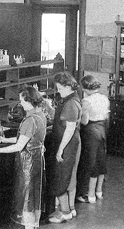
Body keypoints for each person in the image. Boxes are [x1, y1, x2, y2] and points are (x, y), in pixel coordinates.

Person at [0, 85, 47, 229]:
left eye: (22, 100)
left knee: (27, 198)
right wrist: (4, 140)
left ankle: (29, 226)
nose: (20, 103)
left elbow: (19, 146)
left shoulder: (30, 120)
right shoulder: (39, 114)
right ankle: (34, 225)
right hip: (37, 160)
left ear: (28, 100)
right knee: (35, 196)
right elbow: (26, 138)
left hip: (28, 165)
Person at [48, 71, 82, 223]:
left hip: (67, 143)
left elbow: (69, 128)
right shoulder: (73, 99)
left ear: (68, 86)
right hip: (71, 143)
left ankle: (65, 212)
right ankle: (70, 208)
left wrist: (60, 149)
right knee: (69, 176)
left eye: (61, 88)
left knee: (61, 177)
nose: (59, 91)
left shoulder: (70, 103)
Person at [76, 75, 110, 203]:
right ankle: (98, 192)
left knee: (89, 162)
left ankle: (88, 195)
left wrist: (77, 119)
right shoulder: (105, 98)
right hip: (102, 129)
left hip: (90, 131)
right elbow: (106, 116)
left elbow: (84, 121)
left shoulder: (86, 101)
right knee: (101, 160)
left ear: (86, 88)